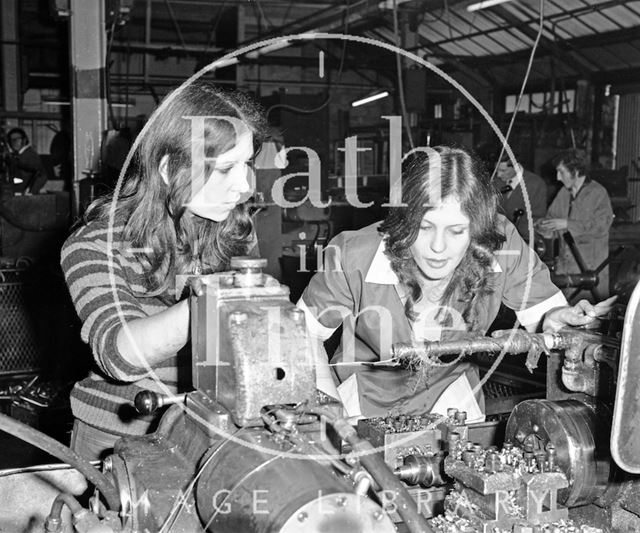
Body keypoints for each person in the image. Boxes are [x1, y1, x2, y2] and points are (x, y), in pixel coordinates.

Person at [298, 146, 614, 420]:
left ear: (477, 230)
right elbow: (303, 335)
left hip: (451, 392)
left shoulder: (501, 247)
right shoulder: (355, 256)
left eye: (456, 231)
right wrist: (332, 418)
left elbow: (549, 316)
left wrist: (557, 321)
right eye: (424, 227)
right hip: (365, 390)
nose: (438, 247)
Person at [60, 81, 268, 460]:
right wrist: (214, 299)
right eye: (225, 169)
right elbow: (119, 355)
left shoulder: (235, 233)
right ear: (170, 169)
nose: (243, 186)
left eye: (247, 164)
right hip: (117, 438)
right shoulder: (95, 244)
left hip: (213, 436)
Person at [538, 149, 614, 300]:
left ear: (576, 171)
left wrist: (567, 224)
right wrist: (543, 226)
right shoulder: (563, 194)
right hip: (566, 269)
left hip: (590, 270)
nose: (558, 178)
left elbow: (601, 226)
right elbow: (552, 222)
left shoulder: (598, 193)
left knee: (589, 315)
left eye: (561, 172)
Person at [495, 154, 547, 243]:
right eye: (497, 170)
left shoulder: (536, 184)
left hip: (525, 241)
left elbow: (537, 219)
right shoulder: (496, 182)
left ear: (517, 167)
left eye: (503, 170)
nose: (498, 175)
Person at [6, 127, 48, 194]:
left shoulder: (29, 155)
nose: (14, 143)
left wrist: (30, 192)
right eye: (11, 140)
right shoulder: (19, 155)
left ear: (24, 140)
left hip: (25, 194)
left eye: (17, 139)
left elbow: (41, 175)